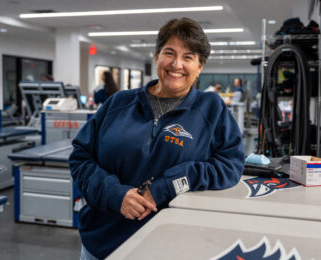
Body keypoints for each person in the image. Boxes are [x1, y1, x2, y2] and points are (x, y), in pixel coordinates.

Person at [69, 17, 245, 260]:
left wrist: (168, 185)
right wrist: (114, 194)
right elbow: (81, 157)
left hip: (173, 246)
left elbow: (230, 166)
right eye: (169, 53)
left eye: (188, 57)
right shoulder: (119, 103)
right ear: (156, 57)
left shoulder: (211, 109)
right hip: (102, 242)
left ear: (200, 66)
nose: (176, 64)